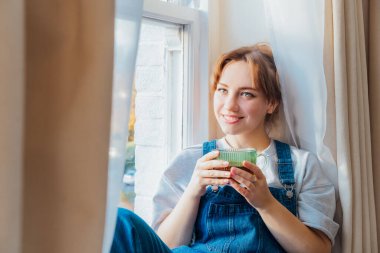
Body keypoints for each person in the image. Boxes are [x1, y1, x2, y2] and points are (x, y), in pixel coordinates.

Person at [111, 43, 339, 253]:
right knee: (120, 221)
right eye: (222, 90)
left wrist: (266, 203)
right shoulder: (189, 160)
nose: (229, 105)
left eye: (246, 94)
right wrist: (194, 190)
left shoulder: (303, 166)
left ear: (271, 103)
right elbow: (166, 246)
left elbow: (317, 249)